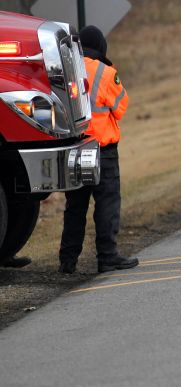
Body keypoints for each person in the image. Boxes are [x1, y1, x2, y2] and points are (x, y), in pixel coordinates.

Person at [59, 26, 138, 274]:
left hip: (74, 149)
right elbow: (121, 106)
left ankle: (67, 261)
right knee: (106, 203)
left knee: (75, 206)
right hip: (102, 150)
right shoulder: (106, 73)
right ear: (101, 47)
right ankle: (107, 257)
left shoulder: (66, 70)